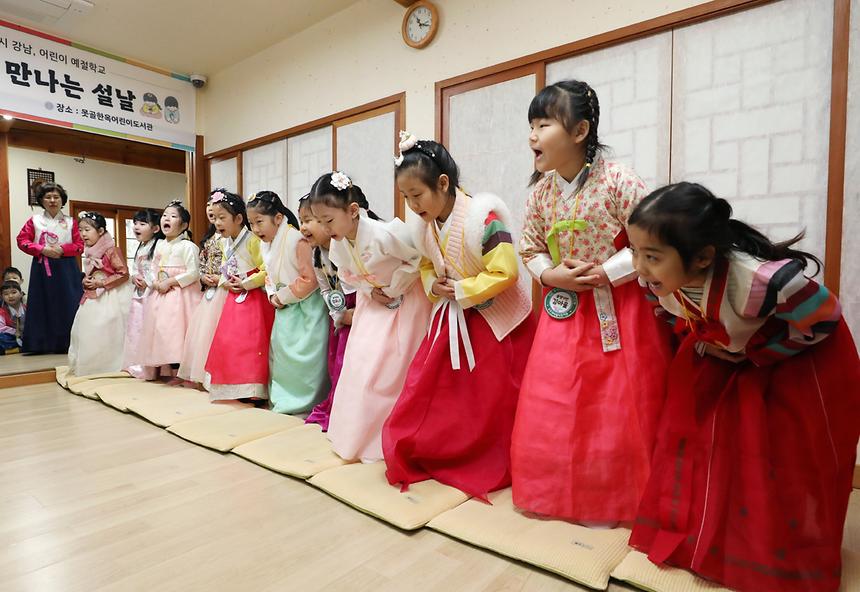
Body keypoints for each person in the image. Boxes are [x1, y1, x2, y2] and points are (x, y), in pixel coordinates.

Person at [626, 182, 860, 592]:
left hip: (797, 361)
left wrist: (761, 352)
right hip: (725, 350)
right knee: (704, 443)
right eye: (635, 252)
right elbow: (664, 313)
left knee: (779, 456)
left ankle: (777, 553)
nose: (639, 267)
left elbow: (824, 318)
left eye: (652, 256)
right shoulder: (654, 280)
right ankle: (712, 538)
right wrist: (700, 339)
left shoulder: (761, 280)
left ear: (703, 257)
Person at [512, 80, 673, 524]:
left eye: (543, 124)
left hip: (621, 311)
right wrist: (549, 274)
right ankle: (559, 492)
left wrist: (609, 271)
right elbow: (528, 247)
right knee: (558, 401)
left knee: (618, 406)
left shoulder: (619, 179)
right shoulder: (542, 192)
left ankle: (616, 495)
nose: (532, 136)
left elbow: (652, 240)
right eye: (531, 125)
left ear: (580, 131)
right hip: (563, 313)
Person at [382, 133, 536, 499]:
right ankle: (444, 452)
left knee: (492, 400)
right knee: (436, 394)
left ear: (443, 183)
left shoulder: (485, 215)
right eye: (406, 197)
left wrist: (464, 290)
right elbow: (424, 265)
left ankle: (488, 459)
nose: (411, 204)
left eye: (416, 195)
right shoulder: (424, 227)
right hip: (453, 319)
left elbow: (507, 271)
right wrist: (434, 286)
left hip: (498, 322)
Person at [308, 171, 431, 462]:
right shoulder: (339, 244)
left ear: (353, 211)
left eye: (329, 220)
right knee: (358, 364)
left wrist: (394, 285)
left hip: (406, 303)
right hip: (374, 302)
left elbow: (419, 260)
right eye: (320, 221)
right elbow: (349, 277)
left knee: (388, 371)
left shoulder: (385, 233)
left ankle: (385, 438)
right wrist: (370, 289)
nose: (326, 228)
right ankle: (355, 436)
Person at [16, 182, 83, 354]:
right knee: (42, 302)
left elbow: (79, 245)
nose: (52, 200)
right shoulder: (35, 221)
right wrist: (42, 249)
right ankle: (40, 344)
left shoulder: (71, 222)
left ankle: (69, 343)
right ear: (41, 200)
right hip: (42, 266)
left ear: (62, 200)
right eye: (48, 197)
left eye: (56, 197)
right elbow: (22, 240)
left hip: (66, 266)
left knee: (69, 302)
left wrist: (63, 250)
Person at [67, 211, 132, 375]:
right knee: (85, 329)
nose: (83, 234)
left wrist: (101, 283)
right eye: (81, 230)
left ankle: (107, 365)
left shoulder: (111, 250)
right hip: (93, 294)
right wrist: (87, 281)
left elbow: (123, 274)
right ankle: (90, 365)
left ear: (101, 231)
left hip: (111, 295)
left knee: (106, 329)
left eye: (87, 230)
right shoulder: (90, 251)